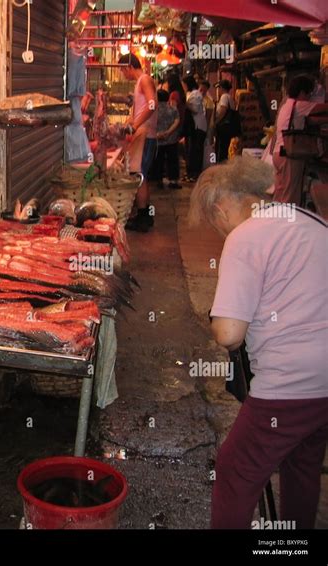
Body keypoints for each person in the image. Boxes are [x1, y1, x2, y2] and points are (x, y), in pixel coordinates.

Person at [189, 156, 328, 530]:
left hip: (289, 381)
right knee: (302, 466)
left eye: (214, 224)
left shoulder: (245, 236)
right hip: (323, 382)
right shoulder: (310, 221)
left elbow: (229, 333)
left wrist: (221, 316)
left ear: (220, 208)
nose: (218, 232)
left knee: (235, 474)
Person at [272, 75, 328, 205]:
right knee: (290, 197)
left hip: (278, 154)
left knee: (280, 194)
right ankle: (288, 223)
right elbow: (323, 108)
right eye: (308, 94)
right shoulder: (299, 105)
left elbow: (311, 120)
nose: (309, 97)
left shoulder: (287, 105)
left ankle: (274, 221)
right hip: (289, 156)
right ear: (302, 92)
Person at [118, 53, 158, 232]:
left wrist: (135, 125)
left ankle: (143, 218)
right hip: (143, 133)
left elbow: (152, 105)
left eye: (121, 69)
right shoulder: (141, 82)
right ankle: (145, 216)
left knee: (139, 176)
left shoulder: (144, 80)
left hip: (145, 134)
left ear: (128, 67)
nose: (121, 74)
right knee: (141, 176)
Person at [182, 75, 207, 182]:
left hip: (198, 127)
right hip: (194, 127)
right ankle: (191, 173)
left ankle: (195, 174)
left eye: (184, 84)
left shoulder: (196, 94)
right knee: (191, 150)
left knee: (195, 151)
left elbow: (195, 109)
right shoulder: (192, 94)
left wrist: (186, 104)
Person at [155, 89, 181, 189]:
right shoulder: (172, 108)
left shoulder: (154, 110)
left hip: (158, 139)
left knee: (159, 161)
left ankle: (158, 180)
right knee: (172, 160)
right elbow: (177, 120)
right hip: (171, 139)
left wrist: (158, 134)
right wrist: (169, 132)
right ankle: (173, 181)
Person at [214, 79, 236, 162]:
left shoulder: (224, 97)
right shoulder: (229, 97)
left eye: (219, 88)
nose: (218, 90)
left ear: (222, 88)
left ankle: (221, 166)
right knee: (224, 148)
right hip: (228, 127)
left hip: (224, 127)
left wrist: (216, 122)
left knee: (221, 148)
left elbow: (223, 110)